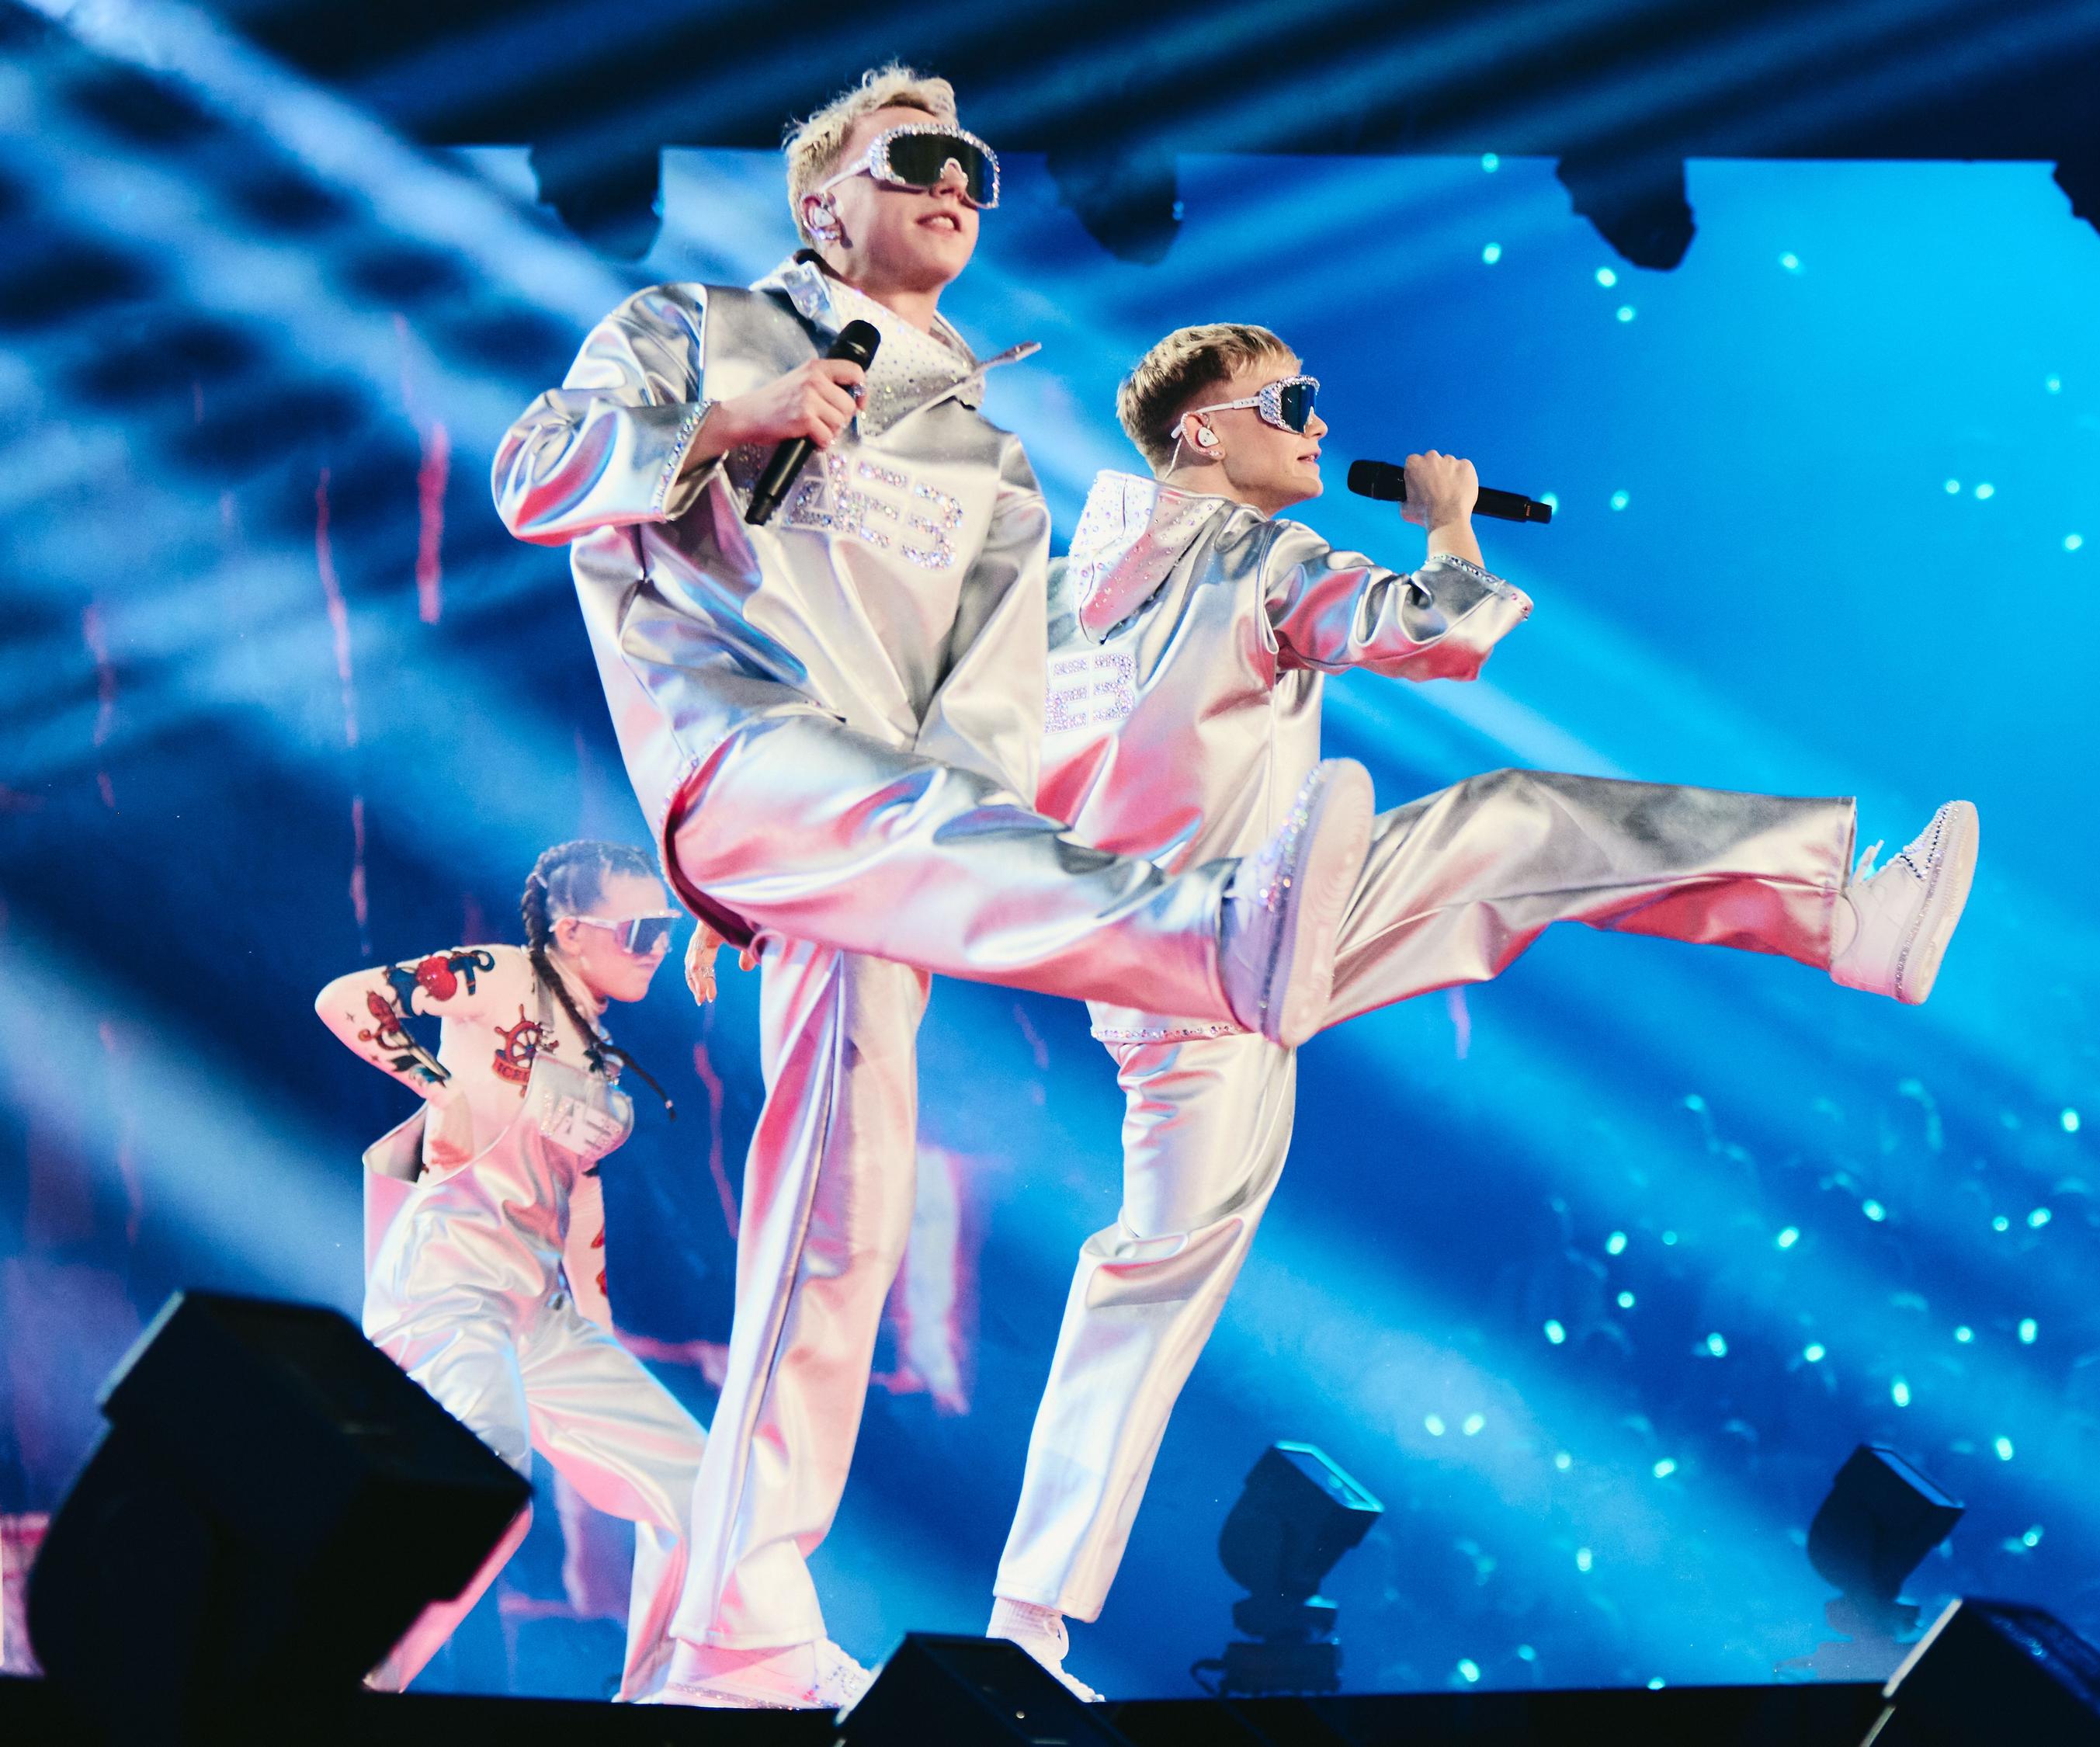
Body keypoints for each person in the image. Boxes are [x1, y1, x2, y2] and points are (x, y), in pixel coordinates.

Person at [490, 65, 1374, 1707]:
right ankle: (1212, 940)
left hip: (886, 840)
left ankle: (736, 1628)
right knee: (910, 847)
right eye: (917, 156)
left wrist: (923, 875)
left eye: (974, 161)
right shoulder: (693, 327)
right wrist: (730, 421)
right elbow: (530, 478)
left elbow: (990, 722)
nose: (959, 180)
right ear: (821, 199)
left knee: (843, 1214)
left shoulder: (988, 454)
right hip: (739, 754)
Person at [980, 322, 1979, 1692]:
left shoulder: (1061, 599)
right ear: (1202, 430)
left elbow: (966, 772)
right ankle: (1844, 921)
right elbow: (1435, 631)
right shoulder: (1256, 555)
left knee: (1150, 1273)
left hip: (1156, 975)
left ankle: (1025, 1626)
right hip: (1259, 925)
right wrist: (1447, 524)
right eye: (1292, 401)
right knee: (1516, 820)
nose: (1319, 425)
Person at [317, 840, 701, 1700]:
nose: (658, 947)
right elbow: (347, 1000)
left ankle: (670, 1698)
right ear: (571, 930)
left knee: (697, 1487)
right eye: (642, 930)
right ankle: (348, 1685)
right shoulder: (501, 975)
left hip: (538, 1303)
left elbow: (579, 1200)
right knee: (489, 1485)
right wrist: (440, 1090)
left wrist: (598, 1337)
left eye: (666, 931)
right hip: (451, 1277)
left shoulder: (598, 1046)